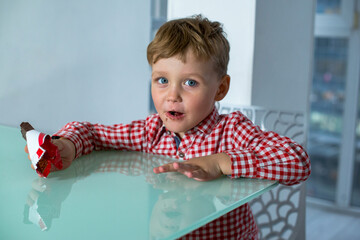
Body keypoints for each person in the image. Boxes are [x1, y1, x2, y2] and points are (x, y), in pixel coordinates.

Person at [25, 15, 311, 239]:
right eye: (162, 80)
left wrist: (219, 162)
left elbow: (296, 160)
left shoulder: (231, 131)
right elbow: (94, 133)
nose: (172, 95)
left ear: (220, 88)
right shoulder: (153, 131)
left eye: (190, 82)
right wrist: (69, 144)